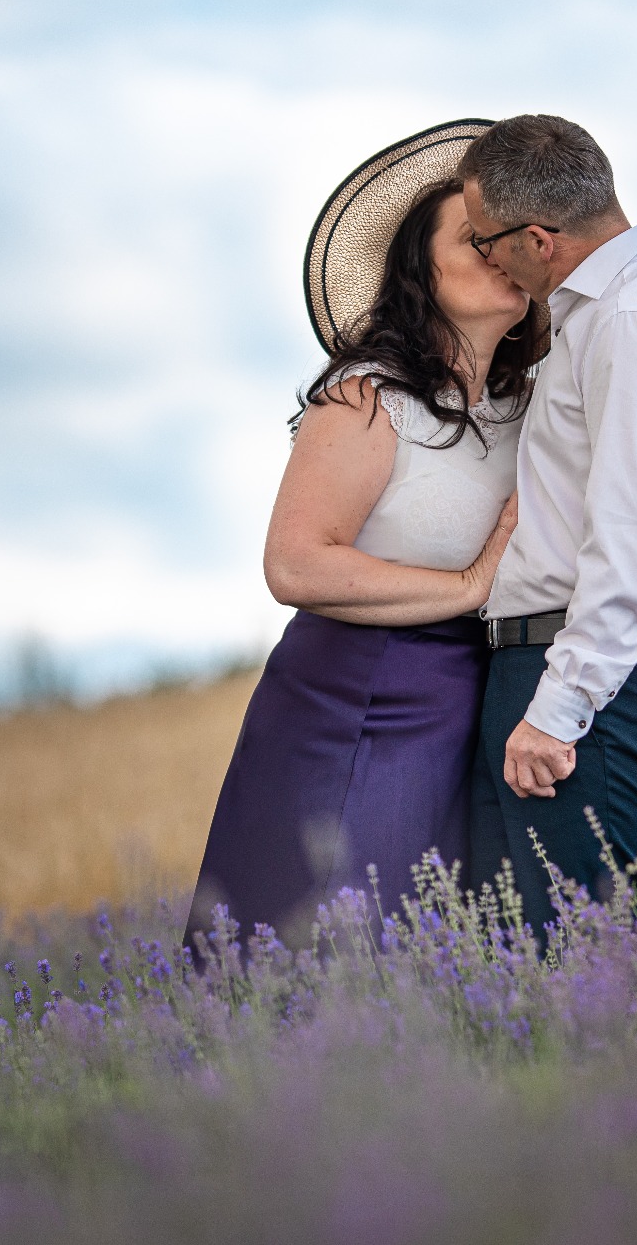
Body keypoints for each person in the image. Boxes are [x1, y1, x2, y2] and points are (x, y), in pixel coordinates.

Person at [184, 120, 543, 952]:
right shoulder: (367, 396)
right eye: (474, 239)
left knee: (433, 952)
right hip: (351, 701)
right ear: (419, 267)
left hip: (471, 702)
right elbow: (294, 563)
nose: (501, 253)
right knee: (319, 946)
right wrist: (467, 587)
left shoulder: (530, 409)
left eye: (510, 238)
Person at [459, 115, 637, 937]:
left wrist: (562, 705)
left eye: (484, 241)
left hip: (593, 681)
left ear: (538, 241)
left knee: (588, 964)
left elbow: (629, 536)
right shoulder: (603, 315)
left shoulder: (634, 321)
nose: (484, 259)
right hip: (562, 668)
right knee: (528, 962)